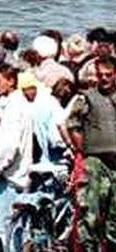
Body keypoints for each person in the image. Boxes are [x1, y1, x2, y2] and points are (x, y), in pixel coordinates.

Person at [66, 56, 116, 252]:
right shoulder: (86, 98)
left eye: (108, 75)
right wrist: (84, 149)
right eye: (100, 75)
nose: (104, 79)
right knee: (90, 215)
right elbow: (72, 125)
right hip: (95, 163)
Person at [0, 64, 31, 252]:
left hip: (10, 178)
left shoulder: (14, 107)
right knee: (12, 230)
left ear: (11, 81)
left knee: (7, 232)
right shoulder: (9, 103)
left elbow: (7, 148)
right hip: (10, 176)